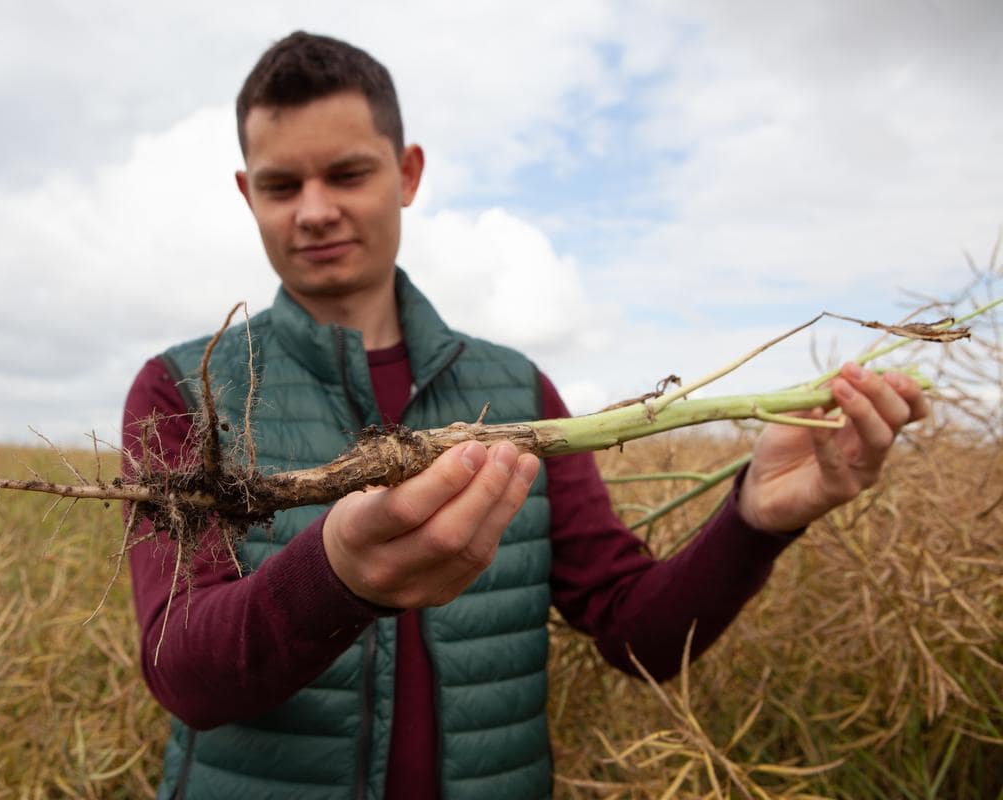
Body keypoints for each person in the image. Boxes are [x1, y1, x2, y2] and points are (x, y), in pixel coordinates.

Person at [122, 31, 927, 800]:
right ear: (246, 193)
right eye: (282, 185)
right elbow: (182, 672)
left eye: (347, 173)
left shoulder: (518, 389)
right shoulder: (178, 396)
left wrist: (755, 517)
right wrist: (334, 579)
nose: (315, 210)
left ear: (407, 173)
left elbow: (636, 634)